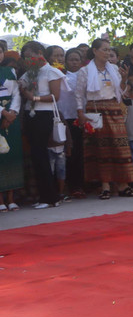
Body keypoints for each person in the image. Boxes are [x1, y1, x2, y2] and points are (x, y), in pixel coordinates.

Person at [76, 39, 133, 199]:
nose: (108, 53)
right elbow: (78, 95)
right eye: (104, 49)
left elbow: (123, 93)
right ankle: (105, 185)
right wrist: (80, 113)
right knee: (101, 149)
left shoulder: (114, 69)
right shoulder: (85, 71)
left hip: (114, 109)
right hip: (95, 110)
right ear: (95, 51)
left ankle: (123, 184)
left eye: (109, 50)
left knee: (120, 147)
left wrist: (124, 80)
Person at [18, 41, 65, 208]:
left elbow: (55, 96)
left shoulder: (51, 71)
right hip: (30, 115)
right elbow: (21, 87)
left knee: (41, 154)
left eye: (30, 56)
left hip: (44, 114)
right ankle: (44, 195)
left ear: (40, 53)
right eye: (25, 58)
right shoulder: (29, 73)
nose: (28, 60)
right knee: (36, 156)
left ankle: (50, 197)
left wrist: (34, 98)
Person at [0, 44, 22, 212]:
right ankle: (0, 200)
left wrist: (12, 113)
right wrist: (3, 113)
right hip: (2, 116)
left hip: (11, 120)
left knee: (12, 155)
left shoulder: (9, 72)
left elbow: (16, 95)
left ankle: (11, 197)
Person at [60, 48, 85, 198]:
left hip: (81, 118)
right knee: (68, 153)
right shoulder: (61, 75)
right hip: (65, 118)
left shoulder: (85, 75)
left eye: (77, 59)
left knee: (80, 153)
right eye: (71, 59)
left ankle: (80, 185)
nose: (74, 62)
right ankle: (69, 185)